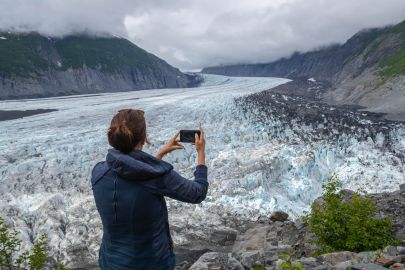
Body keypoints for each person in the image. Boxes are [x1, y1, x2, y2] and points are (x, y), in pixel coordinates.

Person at [90, 109, 208, 270]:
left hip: (110, 262)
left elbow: (133, 174)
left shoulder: (98, 172)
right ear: (144, 139)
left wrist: (158, 156)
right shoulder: (157, 177)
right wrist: (201, 152)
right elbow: (197, 193)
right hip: (151, 263)